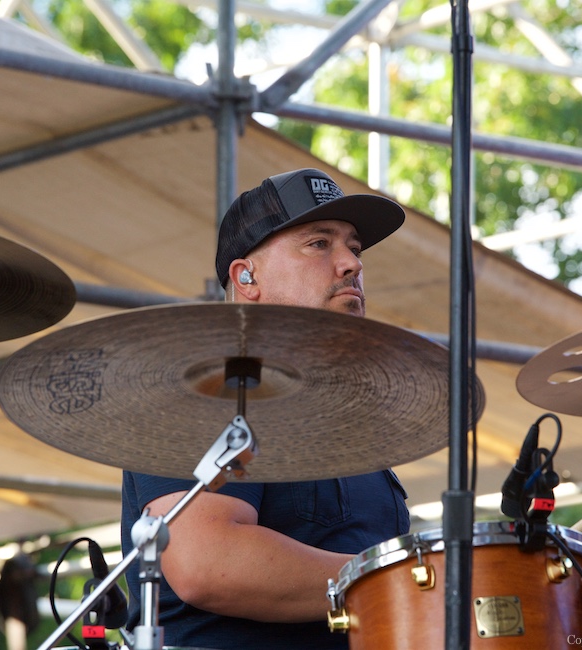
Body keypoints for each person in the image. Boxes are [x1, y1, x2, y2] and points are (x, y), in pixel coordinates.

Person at [120, 168, 411, 649]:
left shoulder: (346, 420)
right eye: (320, 244)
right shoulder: (207, 385)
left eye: (355, 249)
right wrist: (398, 581)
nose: (350, 264)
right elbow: (207, 563)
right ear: (246, 277)